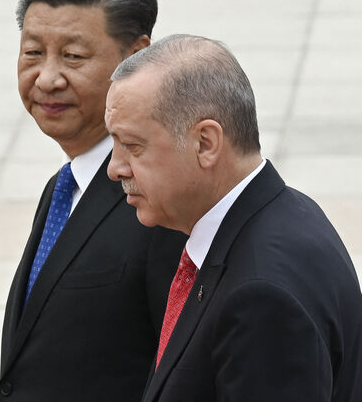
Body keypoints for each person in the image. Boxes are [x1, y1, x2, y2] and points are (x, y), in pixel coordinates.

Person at [105, 34, 362, 402]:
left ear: (205, 143)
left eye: (132, 146)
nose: (115, 168)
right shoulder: (285, 211)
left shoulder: (261, 296)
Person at [0, 0, 186, 402]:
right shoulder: (64, 186)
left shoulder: (164, 203)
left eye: (73, 57)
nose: (46, 78)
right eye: (32, 53)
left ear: (136, 57)